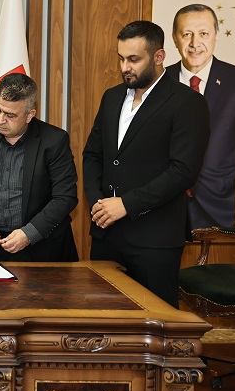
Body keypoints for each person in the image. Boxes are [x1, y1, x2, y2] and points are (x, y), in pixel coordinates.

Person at [83, 20, 210, 308]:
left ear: (158, 56)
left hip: (155, 239)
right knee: (102, 319)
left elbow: (183, 171)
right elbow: (93, 155)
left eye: (133, 59)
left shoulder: (187, 103)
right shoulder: (112, 97)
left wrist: (125, 204)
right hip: (106, 233)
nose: (125, 67)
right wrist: (97, 202)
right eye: (121, 58)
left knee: (156, 322)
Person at [0, 73, 78, 262]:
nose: (0, 120)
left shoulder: (54, 141)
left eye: (10, 115)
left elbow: (65, 197)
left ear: (30, 115)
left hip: (41, 248)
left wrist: (29, 233)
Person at [165, 4, 235, 230]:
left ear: (216, 35)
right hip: (165, 209)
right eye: (186, 34)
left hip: (223, 209)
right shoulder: (157, 83)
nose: (195, 43)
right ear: (175, 38)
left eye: (203, 34)